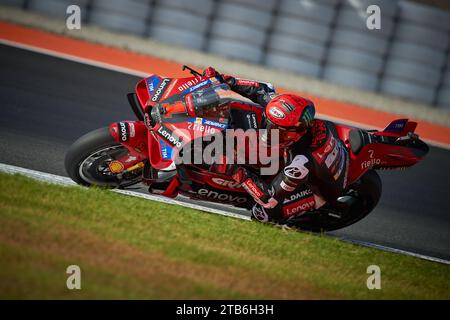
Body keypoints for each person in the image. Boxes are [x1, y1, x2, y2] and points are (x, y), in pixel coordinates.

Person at [202, 67, 350, 223]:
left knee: (262, 213)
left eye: (277, 130)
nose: (269, 131)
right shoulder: (285, 113)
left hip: (316, 189)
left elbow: (269, 197)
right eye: (270, 125)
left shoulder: (300, 162)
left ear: (294, 132)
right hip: (321, 155)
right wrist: (223, 80)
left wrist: (235, 170)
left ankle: (312, 207)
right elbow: (261, 90)